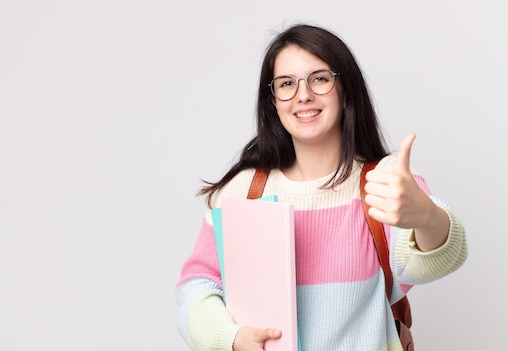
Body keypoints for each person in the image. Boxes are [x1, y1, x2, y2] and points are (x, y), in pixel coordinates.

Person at [175, 23, 468, 351]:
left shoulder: (386, 181)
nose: (303, 95)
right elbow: (196, 285)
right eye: (286, 84)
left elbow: (433, 261)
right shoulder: (243, 192)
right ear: (273, 101)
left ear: (345, 90)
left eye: (320, 79)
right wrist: (229, 338)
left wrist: (427, 218)